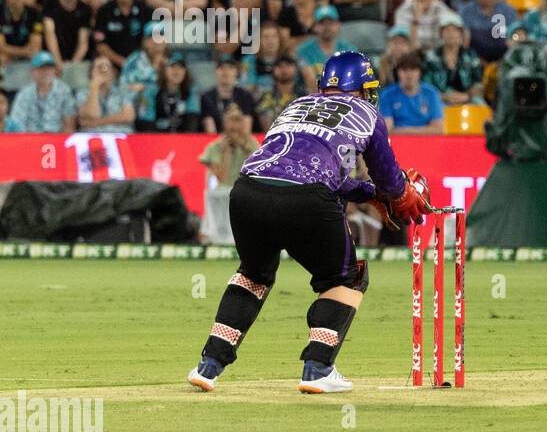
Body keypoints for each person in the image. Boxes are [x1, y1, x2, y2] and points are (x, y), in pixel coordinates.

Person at [188, 52, 435, 395]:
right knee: (346, 277)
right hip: (307, 199)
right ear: (363, 88)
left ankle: (209, 364)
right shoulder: (367, 113)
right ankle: (318, 367)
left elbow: (312, 173)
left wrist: (369, 193)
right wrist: (391, 194)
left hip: (247, 192)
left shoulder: (296, 105)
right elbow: (390, 183)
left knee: (254, 274)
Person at [7, 51, 76, 131]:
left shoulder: (64, 91)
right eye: (41, 68)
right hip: (30, 139)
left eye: (49, 68)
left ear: (54, 70)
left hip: (56, 139)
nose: (46, 72)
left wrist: (61, 142)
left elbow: (70, 124)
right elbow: (17, 123)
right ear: (33, 71)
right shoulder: (24, 93)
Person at [379, 53, 445, 133]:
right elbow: (388, 130)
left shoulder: (431, 93)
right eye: (404, 70)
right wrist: (426, 130)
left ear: (420, 72)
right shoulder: (387, 95)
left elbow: (438, 129)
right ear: (397, 73)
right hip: (398, 143)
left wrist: (404, 131)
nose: (409, 74)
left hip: (427, 143)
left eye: (413, 69)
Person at [200, 104, 260, 186]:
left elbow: (255, 177)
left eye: (238, 120)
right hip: (221, 194)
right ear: (224, 123)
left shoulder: (252, 144)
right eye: (231, 120)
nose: (235, 126)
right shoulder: (214, 147)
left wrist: (248, 153)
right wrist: (225, 153)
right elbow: (220, 179)